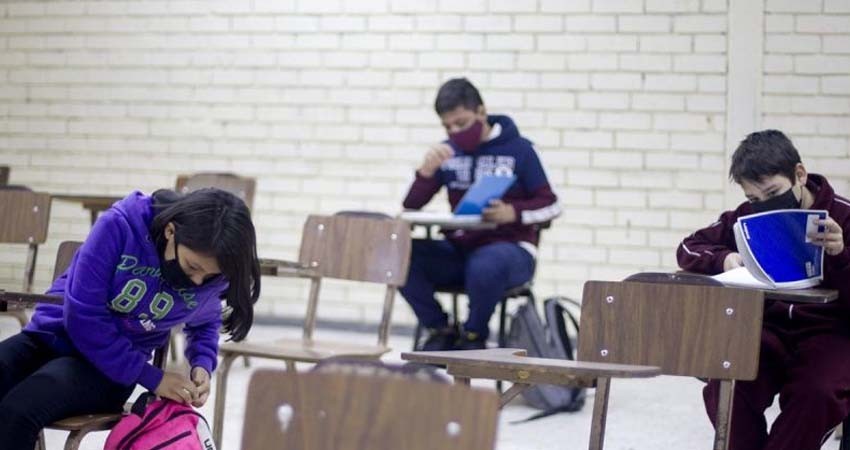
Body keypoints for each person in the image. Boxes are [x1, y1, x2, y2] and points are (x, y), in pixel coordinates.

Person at [0, 188, 261, 450]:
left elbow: (205, 320)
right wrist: (154, 378)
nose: (197, 281)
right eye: (192, 266)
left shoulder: (213, 273)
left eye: (209, 276)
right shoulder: (120, 226)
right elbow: (83, 316)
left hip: (107, 372)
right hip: (51, 337)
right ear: (171, 231)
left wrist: (201, 364)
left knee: (18, 411)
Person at [677, 129, 850, 450]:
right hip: (766, 327)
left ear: (800, 174)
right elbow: (689, 247)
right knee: (726, 385)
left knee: (818, 393)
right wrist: (725, 259)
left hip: (831, 333)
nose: (766, 204)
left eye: (773, 192)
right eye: (754, 198)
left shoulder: (843, 215)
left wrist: (840, 254)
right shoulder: (747, 216)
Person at [401, 78, 561, 351]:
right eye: (447, 126)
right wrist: (426, 173)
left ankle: (473, 336)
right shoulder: (447, 152)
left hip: (510, 251)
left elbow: (552, 205)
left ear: (481, 112)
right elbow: (411, 205)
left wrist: (513, 213)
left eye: (461, 123)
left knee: (486, 264)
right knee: (399, 255)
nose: (454, 131)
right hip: (459, 249)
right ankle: (441, 330)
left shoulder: (520, 150)